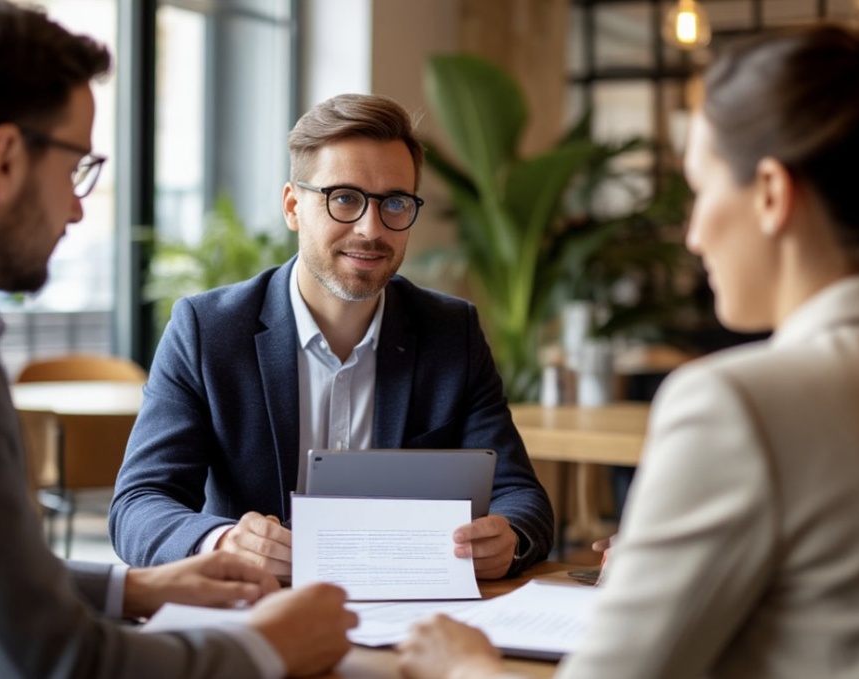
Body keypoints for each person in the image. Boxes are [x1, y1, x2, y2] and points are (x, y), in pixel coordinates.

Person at [397, 2, 859, 678]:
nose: (694, 235)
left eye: (701, 191)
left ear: (770, 192)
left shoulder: (737, 408)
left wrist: (465, 663)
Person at [0, 1, 356, 677]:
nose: (78, 206)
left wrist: (133, 586)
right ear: (2, 159)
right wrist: (270, 646)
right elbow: (50, 664)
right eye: (76, 168)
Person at [109, 93, 554, 581]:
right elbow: (139, 505)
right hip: (262, 610)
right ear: (293, 206)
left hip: (414, 612)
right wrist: (224, 541)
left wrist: (508, 536)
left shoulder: (452, 332)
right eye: (344, 198)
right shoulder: (207, 331)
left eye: (395, 203)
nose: (371, 228)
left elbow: (520, 494)